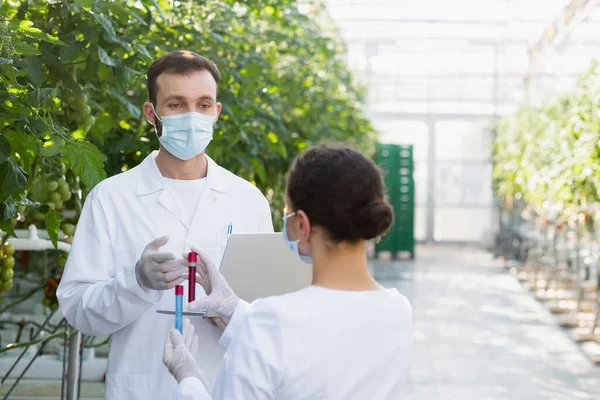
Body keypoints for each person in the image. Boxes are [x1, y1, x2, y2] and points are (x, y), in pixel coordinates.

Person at [56, 51, 273, 399]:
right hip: (142, 385)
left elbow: (270, 317)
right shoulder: (111, 199)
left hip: (227, 385)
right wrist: (135, 282)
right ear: (151, 113)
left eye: (203, 105)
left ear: (216, 113)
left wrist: (231, 310)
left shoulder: (248, 202)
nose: (191, 116)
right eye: (176, 104)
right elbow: (78, 310)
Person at [163, 145, 414, 399]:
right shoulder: (399, 310)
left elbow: (285, 336)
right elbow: (313, 343)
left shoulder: (271, 321)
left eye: (288, 215)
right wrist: (234, 308)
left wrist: (189, 380)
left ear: (303, 225)